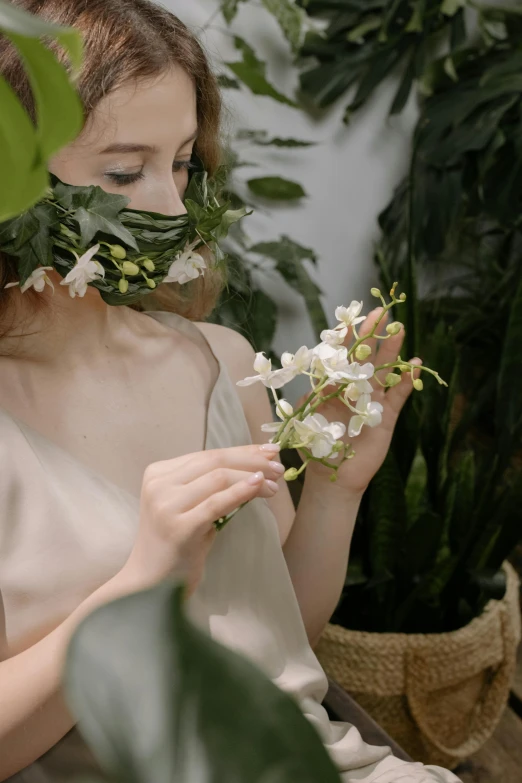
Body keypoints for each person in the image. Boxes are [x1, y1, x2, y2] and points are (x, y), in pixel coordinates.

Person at [0, 1, 462, 781]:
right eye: (124, 171)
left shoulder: (217, 360)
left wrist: (335, 489)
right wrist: (141, 581)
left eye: (182, 162)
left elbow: (283, 648)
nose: (174, 207)